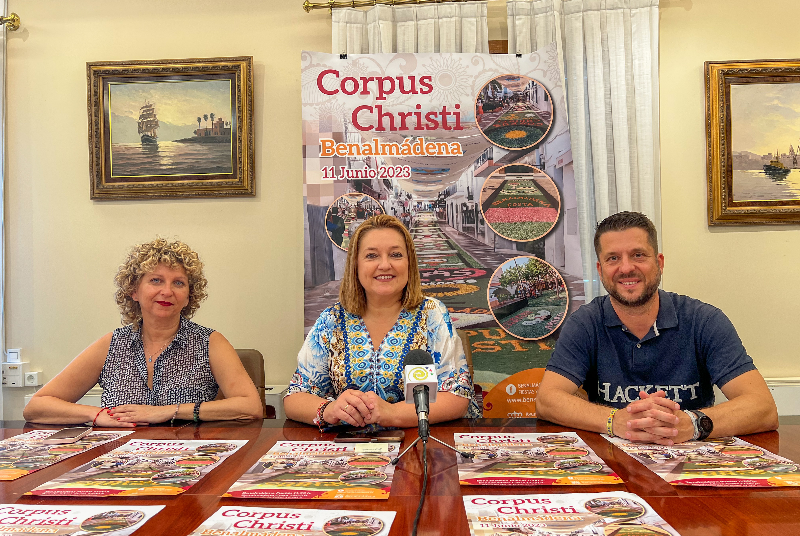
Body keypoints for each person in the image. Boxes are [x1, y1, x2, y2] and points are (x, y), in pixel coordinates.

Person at [535, 211, 778, 445]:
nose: (626, 267)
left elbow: (763, 408)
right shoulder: (585, 323)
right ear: (600, 270)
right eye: (613, 258)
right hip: (613, 463)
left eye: (638, 255)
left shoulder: (703, 320)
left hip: (691, 464)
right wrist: (614, 421)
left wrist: (690, 424)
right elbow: (547, 401)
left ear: (659, 263)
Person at [23, 238, 263, 427]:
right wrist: (97, 415)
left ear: (189, 295)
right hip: (117, 464)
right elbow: (37, 407)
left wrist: (169, 411)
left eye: (178, 283)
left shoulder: (209, 342)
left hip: (187, 461)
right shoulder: (111, 344)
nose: (167, 291)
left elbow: (250, 406)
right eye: (156, 280)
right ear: (134, 291)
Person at [284, 214, 481, 430]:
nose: (385, 265)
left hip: (417, 449)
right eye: (371, 256)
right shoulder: (331, 321)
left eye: (396, 255)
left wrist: (392, 414)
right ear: (355, 265)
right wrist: (328, 410)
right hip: (351, 454)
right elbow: (295, 397)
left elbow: (457, 396)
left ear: (409, 263)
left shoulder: (431, 315)